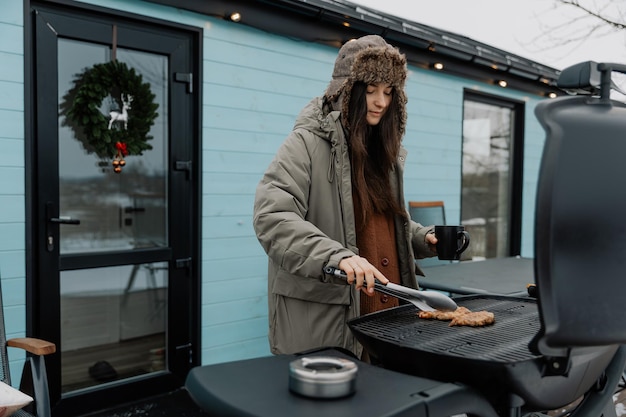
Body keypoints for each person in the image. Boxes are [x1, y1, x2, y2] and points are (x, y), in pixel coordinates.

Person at [253, 34, 438, 359]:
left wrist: (424, 238)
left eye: (388, 91)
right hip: (332, 326)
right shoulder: (306, 144)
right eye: (370, 90)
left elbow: (381, 226)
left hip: (390, 323)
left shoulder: (383, 154)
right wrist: (336, 256)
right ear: (345, 90)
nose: (381, 101)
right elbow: (272, 218)